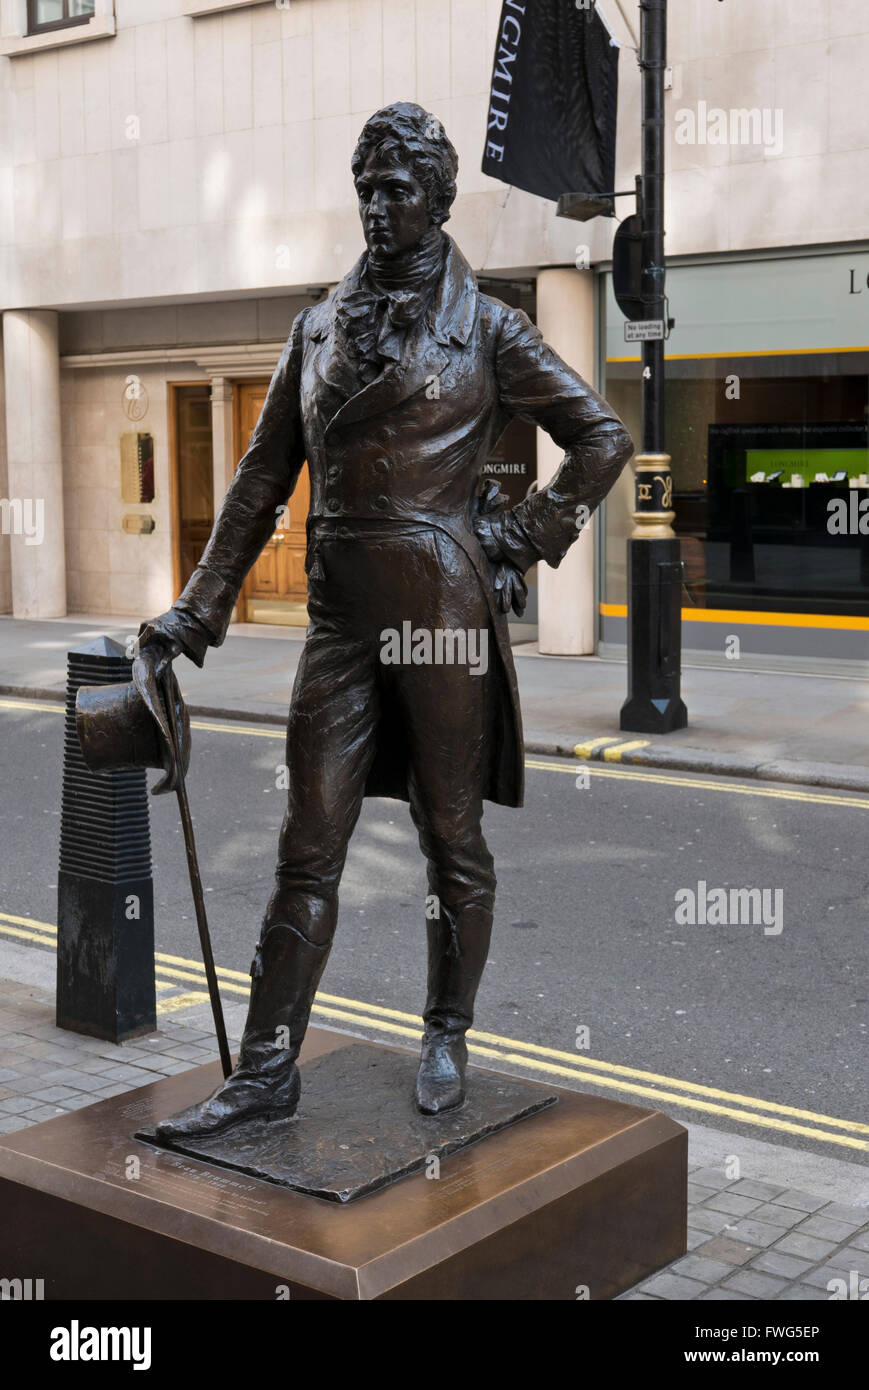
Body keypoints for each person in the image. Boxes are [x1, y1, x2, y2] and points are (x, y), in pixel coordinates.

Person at [140, 102, 633, 1141]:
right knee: (305, 841)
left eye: (397, 188)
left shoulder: (487, 325)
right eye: (365, 187)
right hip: (338, 624)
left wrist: (520, 537)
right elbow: (262, 476)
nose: (376, 206)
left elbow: (598, 437)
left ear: (438, 201)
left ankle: (446, 1028)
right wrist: (199, 607)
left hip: (441, 613)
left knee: (450, 834)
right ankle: (267, 1068)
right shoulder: (316, 326)